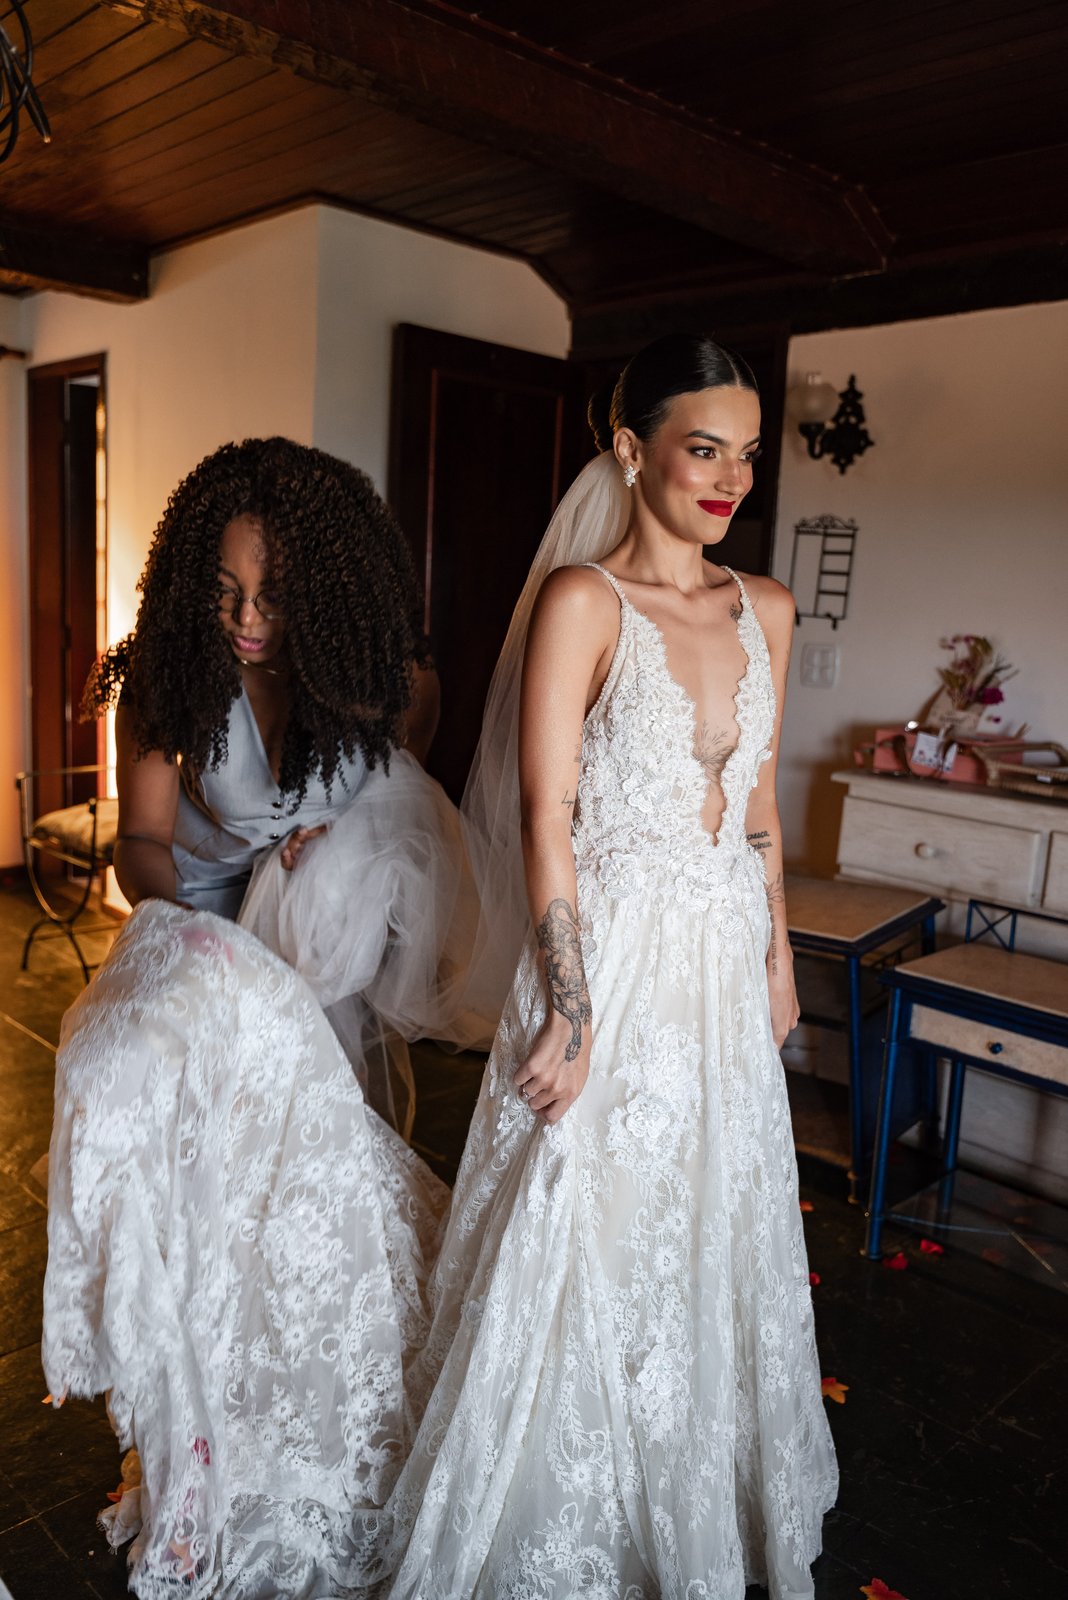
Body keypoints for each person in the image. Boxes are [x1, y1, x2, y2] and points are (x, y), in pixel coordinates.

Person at [382, 335, 838, 1600]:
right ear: (634, 450)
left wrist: (779, 955)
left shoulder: (769, 609)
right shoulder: (583, 602)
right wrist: (571, 1014)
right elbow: (548, 812)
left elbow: (760, 808)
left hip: (720, 958)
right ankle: (560, 1501)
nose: (732, 479)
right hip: (613, 957)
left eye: (748, 454)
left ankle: (692, 1488)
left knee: (708, 1221)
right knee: (589, 1217)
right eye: (705, 450)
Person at [42, 438, 482, 1599]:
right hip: (202, 930)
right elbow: (142, 843)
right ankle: (200, 1421)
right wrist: (195, 933)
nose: (245, 620)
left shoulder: (379, 679)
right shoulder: (173, 676)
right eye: (225, 591)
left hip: (309, 952)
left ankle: (300, 1402)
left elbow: (400, 786)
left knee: (305, 1195)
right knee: (209, 1192)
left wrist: (341, 842)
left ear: (327, 591)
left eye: (273, 597)